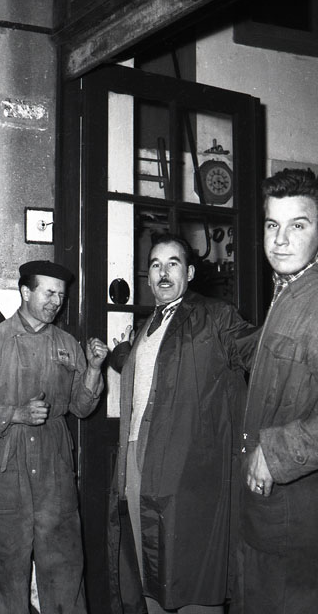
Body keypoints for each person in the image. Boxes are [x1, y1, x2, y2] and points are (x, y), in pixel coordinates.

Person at [108, 233, 257, 614]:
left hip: (188, 469)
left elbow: (257, 352)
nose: (163, 272)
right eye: (155, 265)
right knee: (149, 572)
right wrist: (117, 354)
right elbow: (152, 370)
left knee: (191, 577)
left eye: (172, 263)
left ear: (189, 273)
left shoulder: (215, 316)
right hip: (137, 463)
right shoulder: (147, 326)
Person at [0, 260, 108, 614]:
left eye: (61, 295)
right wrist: (15, 414)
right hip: (5, 467)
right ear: (26, 292)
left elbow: (82, 408)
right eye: (49, 293)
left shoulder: (67, 344)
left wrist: (94, 369)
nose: (57, 301)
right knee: (3, 570)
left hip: (55, 469)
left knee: (65, 567)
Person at [231, 169, 318, 614]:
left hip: (297, 521)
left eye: (298, 225)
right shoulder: (292, 289)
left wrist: (277, 451)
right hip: (272, 515)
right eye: (271, 224)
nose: (280, 240)